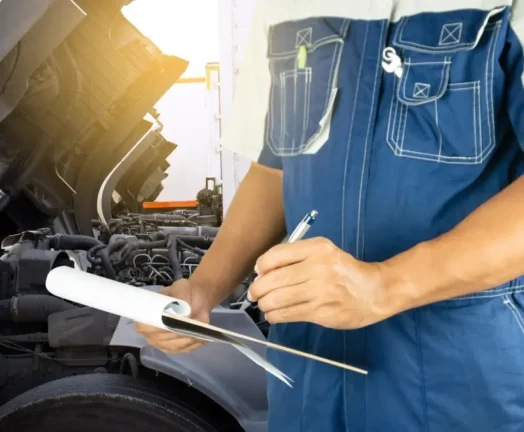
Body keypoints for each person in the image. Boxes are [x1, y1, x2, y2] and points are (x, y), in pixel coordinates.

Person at [136, 1, 524, 431]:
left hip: (461, 371)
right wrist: (203, 289)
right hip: (308, 373)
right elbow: (274, 169)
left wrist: (385, 285)